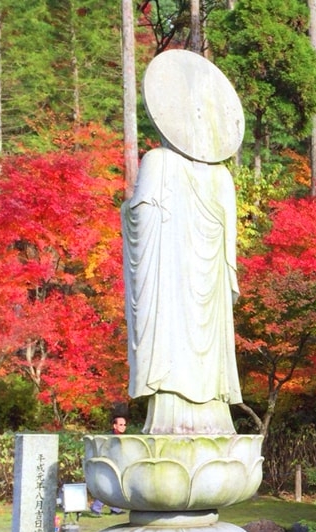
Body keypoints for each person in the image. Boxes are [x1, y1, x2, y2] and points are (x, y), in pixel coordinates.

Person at [123, 50, 245, 436]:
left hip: (183, 299)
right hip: (181, 289)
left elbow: (139, 220)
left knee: (178, 342)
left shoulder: (160, 162)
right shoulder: (212, 175)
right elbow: (228, 258)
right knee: (191, 343)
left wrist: (128, 209)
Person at [88, 414, 128, 516]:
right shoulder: (109, 438)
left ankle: (115, 509)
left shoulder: (124, 438)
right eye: (120, 424)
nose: (123, 426)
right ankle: (96, 507)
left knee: (115, 488)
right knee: (108, 487)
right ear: (114, 426)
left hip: (118, 464)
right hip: (108, 465)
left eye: (124, 424)